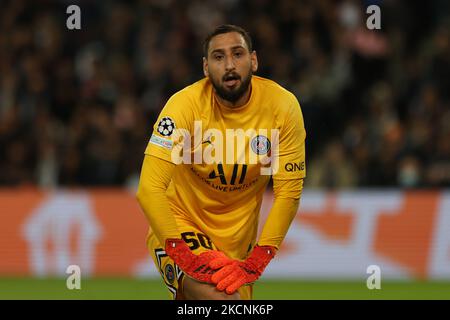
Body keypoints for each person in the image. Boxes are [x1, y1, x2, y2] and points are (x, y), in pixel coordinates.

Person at [136, 24, 306, 300]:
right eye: (218, 57)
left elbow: (289, 193)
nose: (229, 65)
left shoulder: (283, 108)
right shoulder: (184, 106)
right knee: (225, 301)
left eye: (237, 54)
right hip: (181, 225)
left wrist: (258, 259)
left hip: (239, 244)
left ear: (253, 60)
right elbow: (149, 189)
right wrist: (180, 252)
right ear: (205, 68)